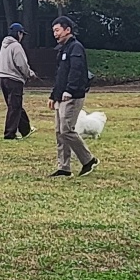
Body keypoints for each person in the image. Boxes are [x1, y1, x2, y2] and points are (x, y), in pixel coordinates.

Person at [49, 16, 98, 177]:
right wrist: (53, 95)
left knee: (66, 130)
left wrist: (69, 91)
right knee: (59, 131)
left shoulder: (76, 48)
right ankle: (64, 167)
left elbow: (76, 71)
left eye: (57, 30)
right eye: (54, 31)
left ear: (67, 30)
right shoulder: (63, 49)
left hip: (72, 96)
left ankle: (88, 160)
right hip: (60, 97)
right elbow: (60, 75)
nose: (55, 34)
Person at [0, 23, 38, 139]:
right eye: (22, 34)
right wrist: (30, 74)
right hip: (14, 80)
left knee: (15, 106)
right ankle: (9, 134)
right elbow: (22, 64)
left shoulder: (4, 45)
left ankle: (25, 130)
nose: (22, 37)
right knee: (15, 107)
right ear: (18, 33)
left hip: (3, 78)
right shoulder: (16, 46)